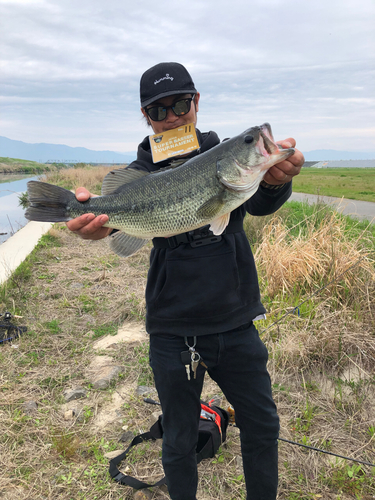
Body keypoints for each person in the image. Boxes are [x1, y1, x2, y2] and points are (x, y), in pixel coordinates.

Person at [67, 62, 304, 500]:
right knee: (176, 435)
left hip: (235, 317)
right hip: (172, 326)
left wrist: (275, 181)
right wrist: (100, 222)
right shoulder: (138, 173)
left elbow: (257, 203)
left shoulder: (222, 153)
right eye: (159, 111)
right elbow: (115, 229)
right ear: (146, 117)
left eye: (179, 104)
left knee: (263, 423)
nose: (171, 116)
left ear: (196, 103)